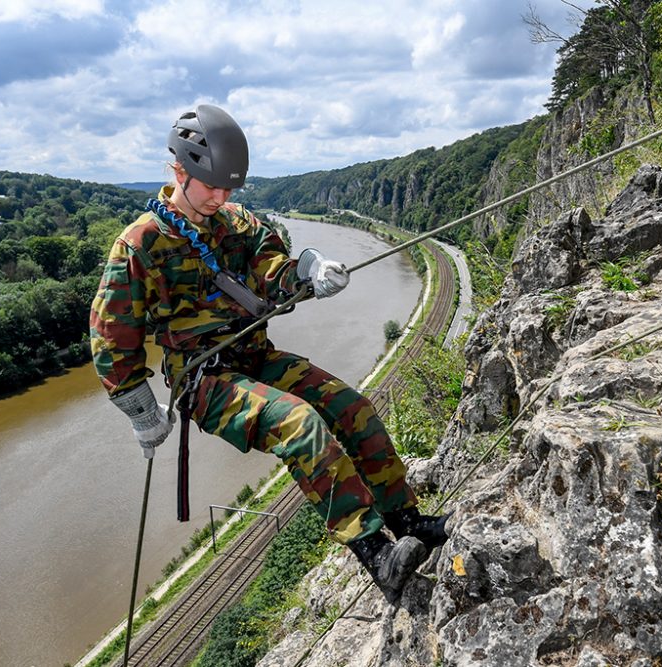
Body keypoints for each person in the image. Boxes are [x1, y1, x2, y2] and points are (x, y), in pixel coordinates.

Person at [89, 104, 447, 604]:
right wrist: (140, 409)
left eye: (228, 188)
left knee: (351, 407)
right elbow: (111, 335)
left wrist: (309, 271)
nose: (220, 197)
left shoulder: (237, 222)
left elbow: (272, 267)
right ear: (178, 171)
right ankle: (378, 557)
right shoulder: (140, 245)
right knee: (300, 425)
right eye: (210, 185)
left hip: (255, 357)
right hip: (204, 381)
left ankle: (407, 518)